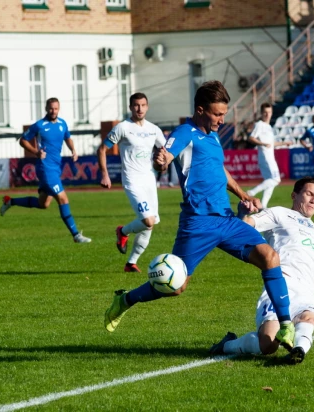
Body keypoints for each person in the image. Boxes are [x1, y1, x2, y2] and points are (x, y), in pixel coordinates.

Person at [104, 81, 296, 349]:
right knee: (177, 286)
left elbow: (220, 171)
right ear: (201, 109)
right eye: (217, 114)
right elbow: (167, 155)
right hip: (198, 223)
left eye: (224, 114)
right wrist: (162, 161)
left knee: (269, 257)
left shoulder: (212, 135)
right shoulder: (186, 132)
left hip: (227, 220)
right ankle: (124, 300)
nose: (222, 119)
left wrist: (243, 194)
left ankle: (286, 325)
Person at [209, 177, 314, 364]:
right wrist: (243, 214)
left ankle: (298, 350)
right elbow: (245, 227)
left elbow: (313, 274)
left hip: (305, 294)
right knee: (268, 345)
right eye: (309, 194)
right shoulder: (279, 214)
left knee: (309, 318)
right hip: (280, 288)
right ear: (294, 195)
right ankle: (227, 345)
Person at [0, 98, 91, 243]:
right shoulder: (39, 125)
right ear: (46, 108)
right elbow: (23, 140)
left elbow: (68, 138)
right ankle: (76, 235)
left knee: (44, 204)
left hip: (55, 167)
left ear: (59, 109)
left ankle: (10, 202)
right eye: (50, 108)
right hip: (45, 168)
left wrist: (73, 149)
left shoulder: (62, 123)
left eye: (55, 108)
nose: (53, 111)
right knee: (63, 198)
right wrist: (36, 152)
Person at [97, 93, 165, 273]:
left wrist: (162, 164)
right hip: (132, 180)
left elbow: (164, 153)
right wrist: (105, 174)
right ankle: (123, 231)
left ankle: (131, 264)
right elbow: (102, 149)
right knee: (148, 220)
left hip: (149, 181)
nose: (139, 109)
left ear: (147, 107)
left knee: (150, 225)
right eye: (136, 105)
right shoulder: (123, 128)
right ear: (130, 107)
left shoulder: (154, 129)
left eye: (143, 105)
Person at [246, 102, 290, 208]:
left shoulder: (269, 127)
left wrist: (284, 143)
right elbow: (251, 138)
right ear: (261, 113)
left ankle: (263, 206)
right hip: (265, 157)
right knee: (276, 180)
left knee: (270, 182)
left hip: (269, 157)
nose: (267, 114)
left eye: (269, 112)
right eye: (265, 112)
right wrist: (262, 144)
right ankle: (251, 192)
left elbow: (271, 143)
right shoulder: (259, 124)